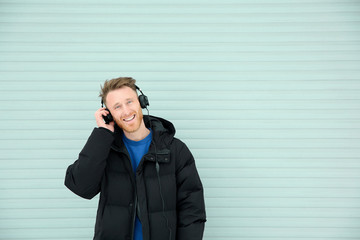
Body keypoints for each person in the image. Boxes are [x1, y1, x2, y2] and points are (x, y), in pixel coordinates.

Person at [64, 77, 206, 240]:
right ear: (108, 114)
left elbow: (192, 211)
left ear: (141, 102)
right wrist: (102, 133)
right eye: (117, 107)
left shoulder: (175, 150)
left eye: (129, 102)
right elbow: (81, 187)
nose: (126, 111)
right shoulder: (104, 150)